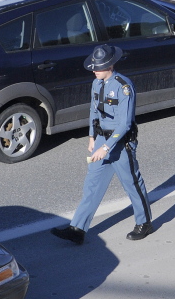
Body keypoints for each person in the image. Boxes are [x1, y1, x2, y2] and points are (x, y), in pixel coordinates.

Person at [51, 44, 153, 244]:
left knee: (132, 183)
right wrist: (91, 138)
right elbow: (94, 112)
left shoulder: (123, 86)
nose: (94, 70)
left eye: (98, 67)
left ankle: (145, 222)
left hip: (120, 143)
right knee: (92, 185)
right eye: (93, 66)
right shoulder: (96, 84)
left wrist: (106, 147)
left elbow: (125, 123)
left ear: (110, 65)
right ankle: (78, 229)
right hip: (100, 140)